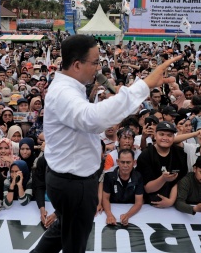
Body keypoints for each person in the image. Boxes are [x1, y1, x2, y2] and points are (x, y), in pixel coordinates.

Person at [32, 35, 179, 253]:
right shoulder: (64, 92)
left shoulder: (71, 86)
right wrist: (144, 85)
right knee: (75, 244)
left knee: (64, 227)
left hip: (73, 179)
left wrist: (117, 99)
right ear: (76, 64)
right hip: (74, 184)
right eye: (95, 63)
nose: (98, 68)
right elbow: (92, 120)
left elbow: (87, 123)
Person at [101, 149, 144, 226]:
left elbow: (139, 202)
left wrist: (127, 215)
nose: (125, 165)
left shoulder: (138, 177)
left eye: (128, 162)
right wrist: (109, 215)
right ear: (117, 162)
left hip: (131, 208)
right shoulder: (109, 176)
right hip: (113, 207)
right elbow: (105, 198)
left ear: (134, 162)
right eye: (122, 162)